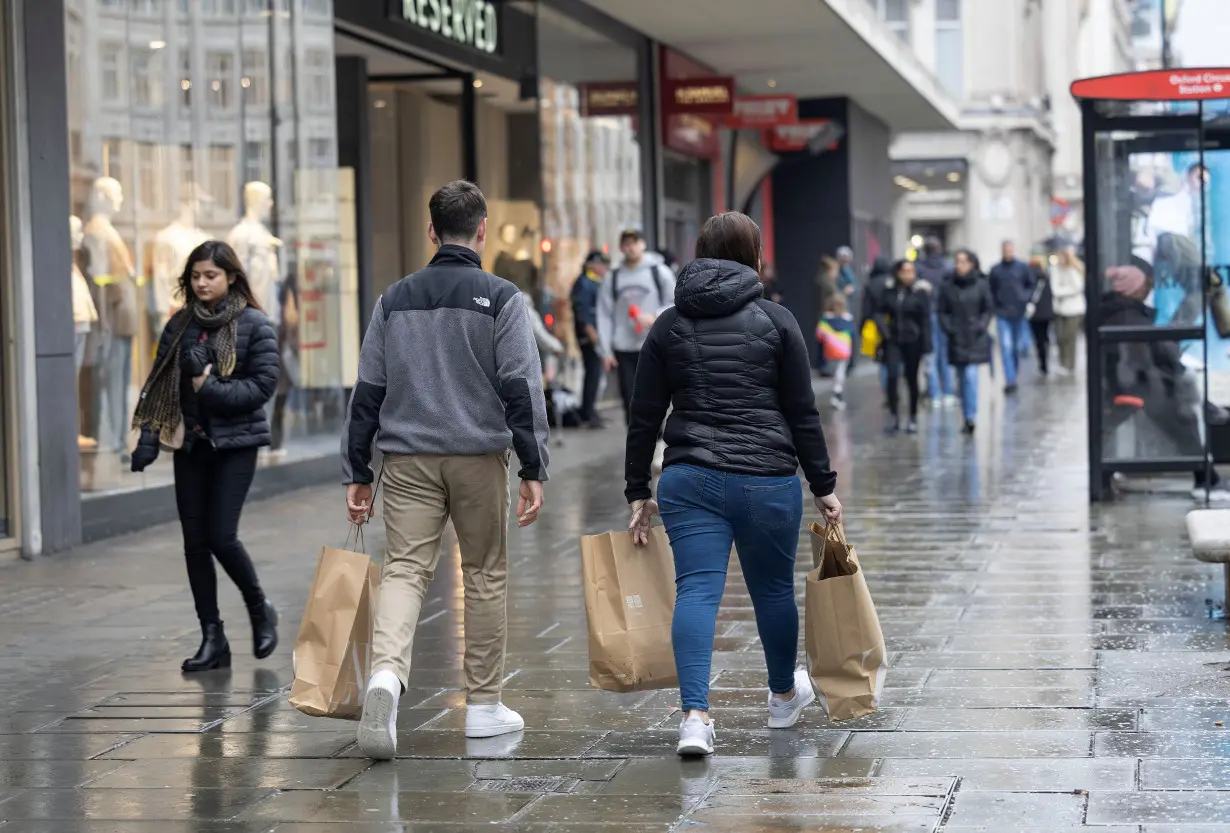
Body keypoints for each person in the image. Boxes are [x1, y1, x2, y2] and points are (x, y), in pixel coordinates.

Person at [343, 181, 550, 760]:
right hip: (479, 457)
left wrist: (358, 470)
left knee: (406, 570)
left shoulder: (393, 299)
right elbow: (521, 387)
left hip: (406, 459)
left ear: (430, 232)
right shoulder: (502, 297)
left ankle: (385, 677)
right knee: (483, 572)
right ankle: (484, 707)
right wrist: (534, 466)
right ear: (481, 230)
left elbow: (369, 391)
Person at [624, 212, 842, 757]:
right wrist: (823, 483)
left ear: (699, 253)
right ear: (756, 257)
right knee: (772, 590)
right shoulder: (777, 321)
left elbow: (643, 414)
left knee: (696, 591)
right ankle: (782, 697)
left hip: (688, 478)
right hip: (767, 478)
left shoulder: (669, 323)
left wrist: (636, 490)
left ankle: (695, 718)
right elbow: (802, 411)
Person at [130, 241, 280, 672]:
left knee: (221, 536)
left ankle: (259, 609)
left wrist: (207, 387)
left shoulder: (254, 325)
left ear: (231, 276)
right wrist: (146, 439)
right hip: (192, 446)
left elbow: (260, 389)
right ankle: (213, 637)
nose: (201, 283)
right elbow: (157, 384)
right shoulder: (179, 325)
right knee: (194, 545)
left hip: (236, 446)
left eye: (210, 275)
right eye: (195, 276)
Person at [597, 228, 676, 424]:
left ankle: (655, 434)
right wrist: (605, 350)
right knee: (630, 399)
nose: (629, 247)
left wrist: (654, 316)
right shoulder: (612, 278)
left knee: (653, 395)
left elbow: (675, 303)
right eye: (625, 243)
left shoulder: (659, 272)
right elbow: (604, 315)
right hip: (624, 348)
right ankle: (636, 441)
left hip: (653, 345)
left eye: (633, 242)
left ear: (643, 244)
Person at [938, 250, 994, 435]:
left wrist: (981, 326)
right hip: (956, 338)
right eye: (957, 261)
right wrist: (949, 328)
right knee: (961, 379)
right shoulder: (948, 286)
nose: (959, 265)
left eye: (963, 262)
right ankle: (965, 413)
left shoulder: (981, 284)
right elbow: (942, 311)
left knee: (971, 376)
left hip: (974, 337)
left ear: (971, 264)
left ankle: (971, 416)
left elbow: (987, 308)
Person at [875, 259, 932, 434]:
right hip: (893, 339)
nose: (908, 275)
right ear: (898, 273)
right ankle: (894, 416)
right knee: (892, 377)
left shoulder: (920, 292)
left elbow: (925, 319)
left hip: (913, 341)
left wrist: (927, 345)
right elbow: (878, 311)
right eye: (904, 271)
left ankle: (913, 417)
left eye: (911, 271)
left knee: (911, 379)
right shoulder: (890, 291)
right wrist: (884, 330)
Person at [988, 240, 1035, 393]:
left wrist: (1025, 298)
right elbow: (990, 290)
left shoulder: (1022, 267)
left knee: (1016, 347)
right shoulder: (996, 270)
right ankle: (1010, 379)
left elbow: (1031, 284)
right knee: (1006, 347)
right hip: (1002, 313)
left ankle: (1014, 373)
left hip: (1019, 312)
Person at [570, 250, 610, 428]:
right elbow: (583, 312)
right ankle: (588, 412)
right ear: (592, 264)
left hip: (595, 333)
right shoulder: (585, 283)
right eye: (601, 264)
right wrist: (592, 334)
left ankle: (590, 409)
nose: (604, 268)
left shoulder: (594, 281)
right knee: (592, 373)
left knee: (595, 373)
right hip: (589, 335)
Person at [917, 238, 954, 407]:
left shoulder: (920, 268)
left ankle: (934, 392)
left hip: (927, 314)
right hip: (943, 313)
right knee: (944, 354)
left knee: (930, 353)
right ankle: (948, 391)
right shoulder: (947, 267)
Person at [1050, 247, 1086, 376]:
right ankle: (1062, 362)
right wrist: (1064, 290)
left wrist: (1063, 291)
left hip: (1074, 309)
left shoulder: (1074, 269)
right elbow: (1055, 289)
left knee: (1070, 337)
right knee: (1060, 337)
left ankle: (1070, 364)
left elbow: (1077, 287)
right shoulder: (1055, 270)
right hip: (1060, 309)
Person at [818, 293, 855, 410]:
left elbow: (819, 335)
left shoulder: (825, 320)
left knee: (835, 372)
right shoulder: (848, 319)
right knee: (840, 372)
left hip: (830, 350)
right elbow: (853, 336)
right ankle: (837, 393)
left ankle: (836, 393)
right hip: (844, 351)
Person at [1027, 254, 1054, 376]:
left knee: (1038, 339)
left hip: (1033, 313)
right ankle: (1045, 360)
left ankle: (1041, 361)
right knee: (1044, 337)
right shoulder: (1046, 276)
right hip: (1046, 313)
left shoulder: (1028, 277)